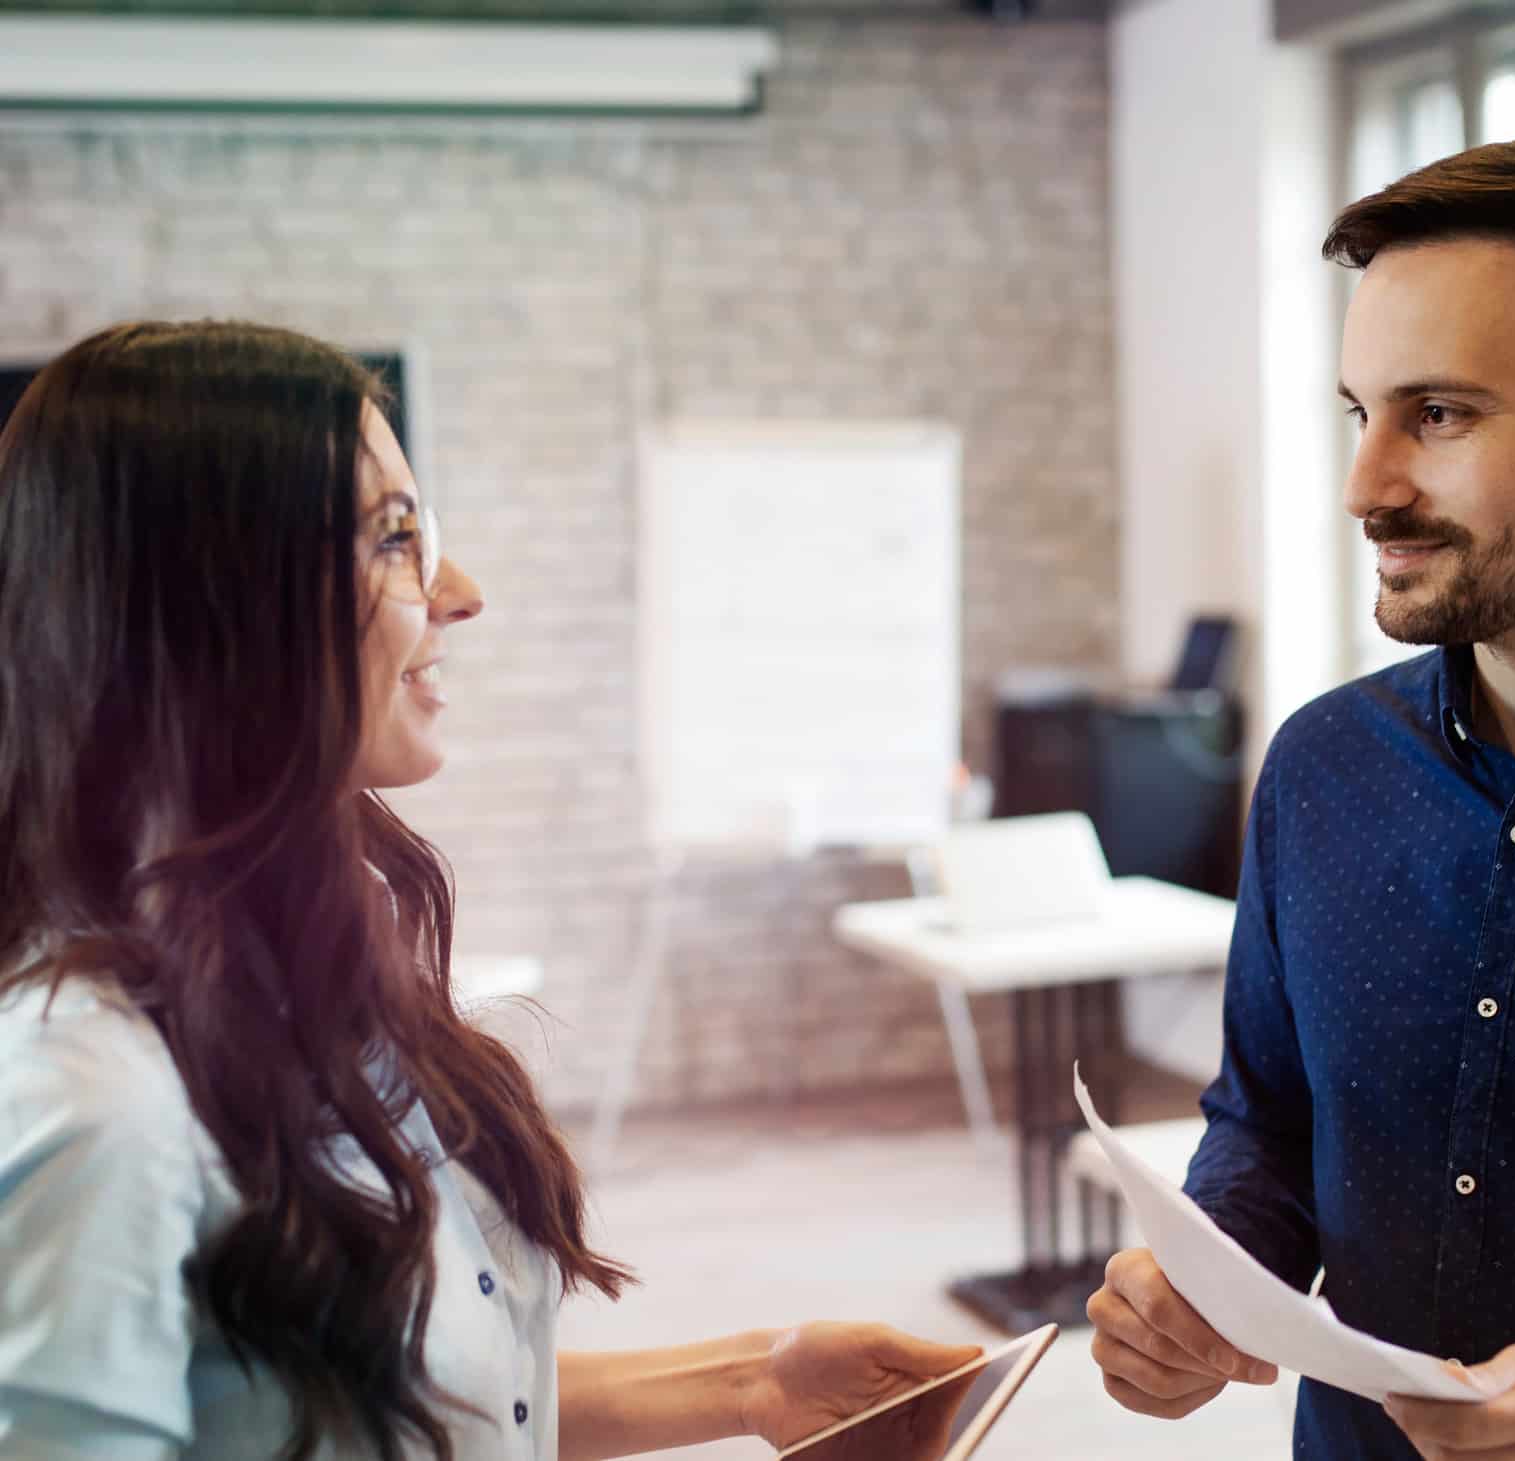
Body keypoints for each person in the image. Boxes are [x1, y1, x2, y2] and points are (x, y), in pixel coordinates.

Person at [0, 320, 980, 1461]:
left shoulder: (311, 984)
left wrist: (750, 1384)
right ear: (209, 602)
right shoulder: (92, 1099)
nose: (459, 593)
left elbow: (390, 1399)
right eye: (393, 539)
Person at [1088, 137, 1515, 1461]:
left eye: (1439, 414)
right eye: (1357, 413)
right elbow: (1266, 1118)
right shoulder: (1321, 769)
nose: (1366, 486)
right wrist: (1213, 1279)